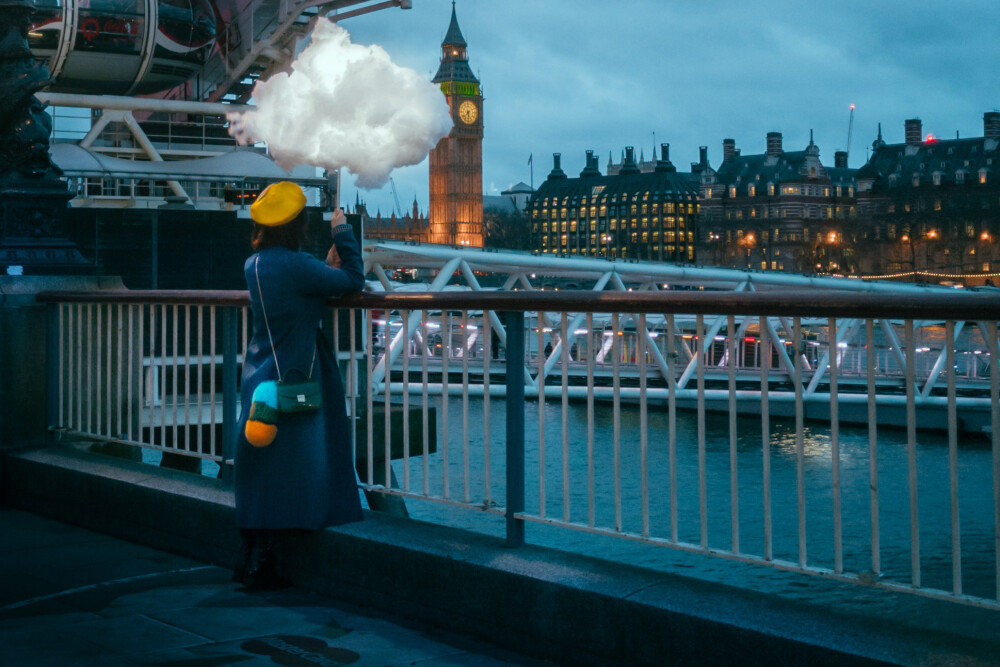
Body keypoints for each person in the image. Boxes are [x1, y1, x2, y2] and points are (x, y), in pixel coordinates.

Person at [233, 181, 365, 589]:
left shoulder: (253, 265)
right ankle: (267, 561)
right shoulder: (295, 266)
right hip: (299, 377)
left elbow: (303, 290)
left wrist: (325, 268)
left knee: (262, 464)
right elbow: (354, 281)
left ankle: (251, 556)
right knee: (297, 463)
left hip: (260, 376)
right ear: (297, 224)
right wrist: (343, 233)